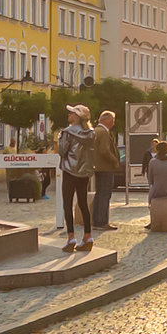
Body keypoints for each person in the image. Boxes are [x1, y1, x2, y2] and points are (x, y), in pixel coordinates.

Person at [55, 105, 98, 252]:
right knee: (83, 204)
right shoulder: (91, 133)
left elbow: (62, 151)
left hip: (69, 170)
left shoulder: (67, 132)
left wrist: (59, 138)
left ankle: (71, 237)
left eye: (71, 113)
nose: (68, 114)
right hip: (84, 172)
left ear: (77, 116)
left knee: (67, 203)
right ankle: (87, 236)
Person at [88, 110, 125, 231]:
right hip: (105, 167)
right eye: (112, 120)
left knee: (99, 194)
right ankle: (102, 222)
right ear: (107, 120)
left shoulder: (95, 131)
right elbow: (104, 150)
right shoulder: (103, 132)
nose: (113, 123)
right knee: (105, 194)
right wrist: (114, 160)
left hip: (98, 167)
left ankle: (96, 221)